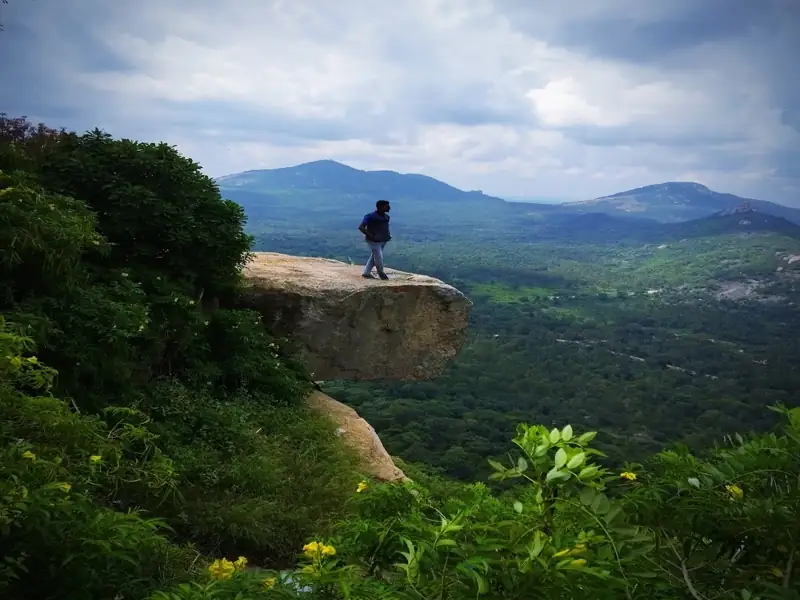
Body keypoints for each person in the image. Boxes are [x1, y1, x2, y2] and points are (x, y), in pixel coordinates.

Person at [358, 200, 391, 280]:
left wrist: (388, 235)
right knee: (379, 257)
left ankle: (366, 272)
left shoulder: (386, 217)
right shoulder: (370, 216)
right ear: (380, 207)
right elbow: (361, 227)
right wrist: (371, 235)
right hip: (374, 241)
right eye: (386, 206)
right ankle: (381, 273)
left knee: (374, 256)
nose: (389, 207)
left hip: (383, 240)